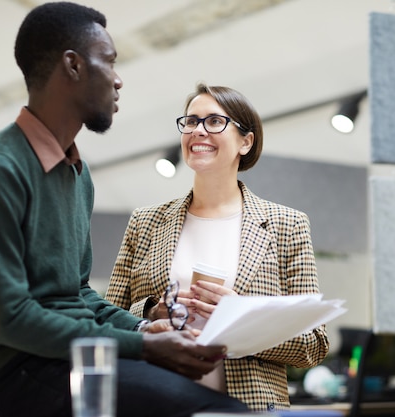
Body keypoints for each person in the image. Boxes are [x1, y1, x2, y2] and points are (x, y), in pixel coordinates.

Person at [0, 3, 248, 417]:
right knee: (215, 412)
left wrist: (142, 327)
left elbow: (78, 294)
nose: (117, 80)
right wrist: (145, 346)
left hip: (82, 359)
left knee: (221, 406)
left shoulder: (78, 174)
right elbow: (12, 319)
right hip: (26, 369)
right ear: (73, 66)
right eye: (110, 61)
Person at [105, 83, 330, 411]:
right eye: (192, 121)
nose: (198, 131)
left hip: (247, 407)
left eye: (213, 122)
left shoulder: (287, 225)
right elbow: (104, 322)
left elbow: (314, 344)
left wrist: (244, 318)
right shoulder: (145, 222)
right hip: (154, 401)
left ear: (245, 141)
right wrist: (150, 313)